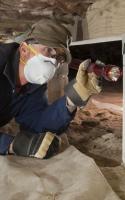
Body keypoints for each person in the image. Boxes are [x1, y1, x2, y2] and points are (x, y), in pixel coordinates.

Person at [0, 19, 101, 159]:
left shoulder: (34, 86)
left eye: (58, 57)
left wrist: (72, 100)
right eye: (48, 50)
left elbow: (37, 124)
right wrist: (11, 144)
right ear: (24, 50)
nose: (53, 61)